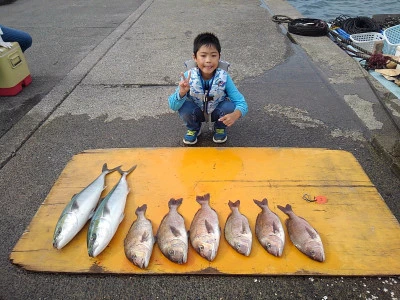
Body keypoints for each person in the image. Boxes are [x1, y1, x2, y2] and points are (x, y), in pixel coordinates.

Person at [168, 32, 248, 145]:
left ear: (219, 57)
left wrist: (236, 114)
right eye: (203, 55)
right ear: (194, 57)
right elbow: (173, 106)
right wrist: (181, 93)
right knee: (184, 106)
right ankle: (194, 128)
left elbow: (241, 102)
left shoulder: (224, 77)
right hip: (196, 111)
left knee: (230, 106)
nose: (208, 60)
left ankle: (220, 127)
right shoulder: (188, 76)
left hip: (217, 111)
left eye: (213, 55)